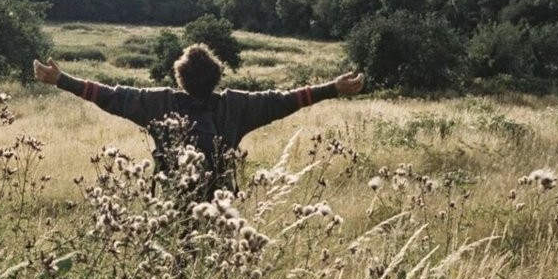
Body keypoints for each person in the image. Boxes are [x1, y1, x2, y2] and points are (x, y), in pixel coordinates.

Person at [33, 44, 364, 197]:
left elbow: (108, 95)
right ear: (217, 77)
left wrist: (61, 80)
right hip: (220, 207)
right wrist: (332, 88)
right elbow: (284, 101)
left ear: (180, 77)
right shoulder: (236, 107)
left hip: (170, 207)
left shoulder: (157, 103)